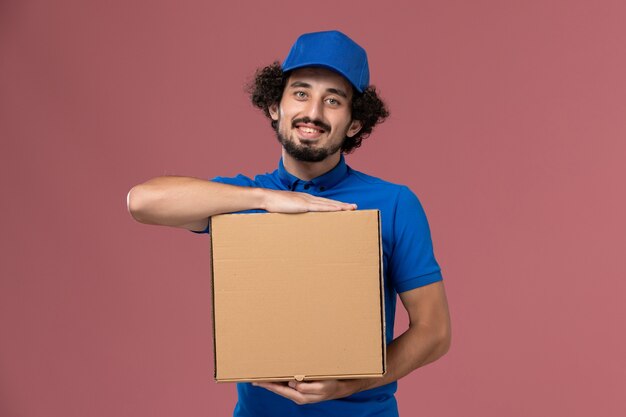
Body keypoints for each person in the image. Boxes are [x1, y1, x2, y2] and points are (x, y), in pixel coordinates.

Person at [128, 30, 451, 417]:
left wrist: (351, 382)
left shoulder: (396, 203)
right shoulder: (241, 197)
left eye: (333, 100)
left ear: (354, 123)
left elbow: (434, 331)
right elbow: (142, 201)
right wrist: (267, 199)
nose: (313, 112)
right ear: (274, 107)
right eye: (301, 93)